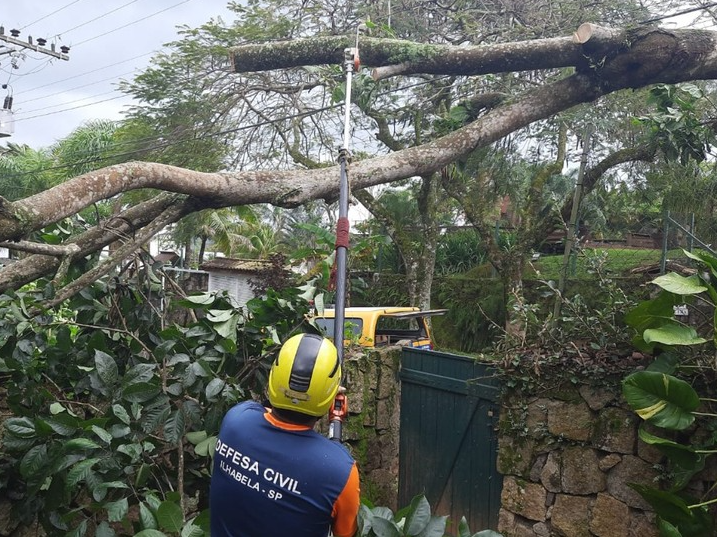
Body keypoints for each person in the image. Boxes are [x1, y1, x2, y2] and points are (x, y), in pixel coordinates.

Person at [210, 333, 360, 537]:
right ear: (329, 397)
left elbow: (264, 409)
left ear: (274, 376)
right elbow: (345, 533)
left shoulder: (236, 420)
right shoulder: (341, 471)